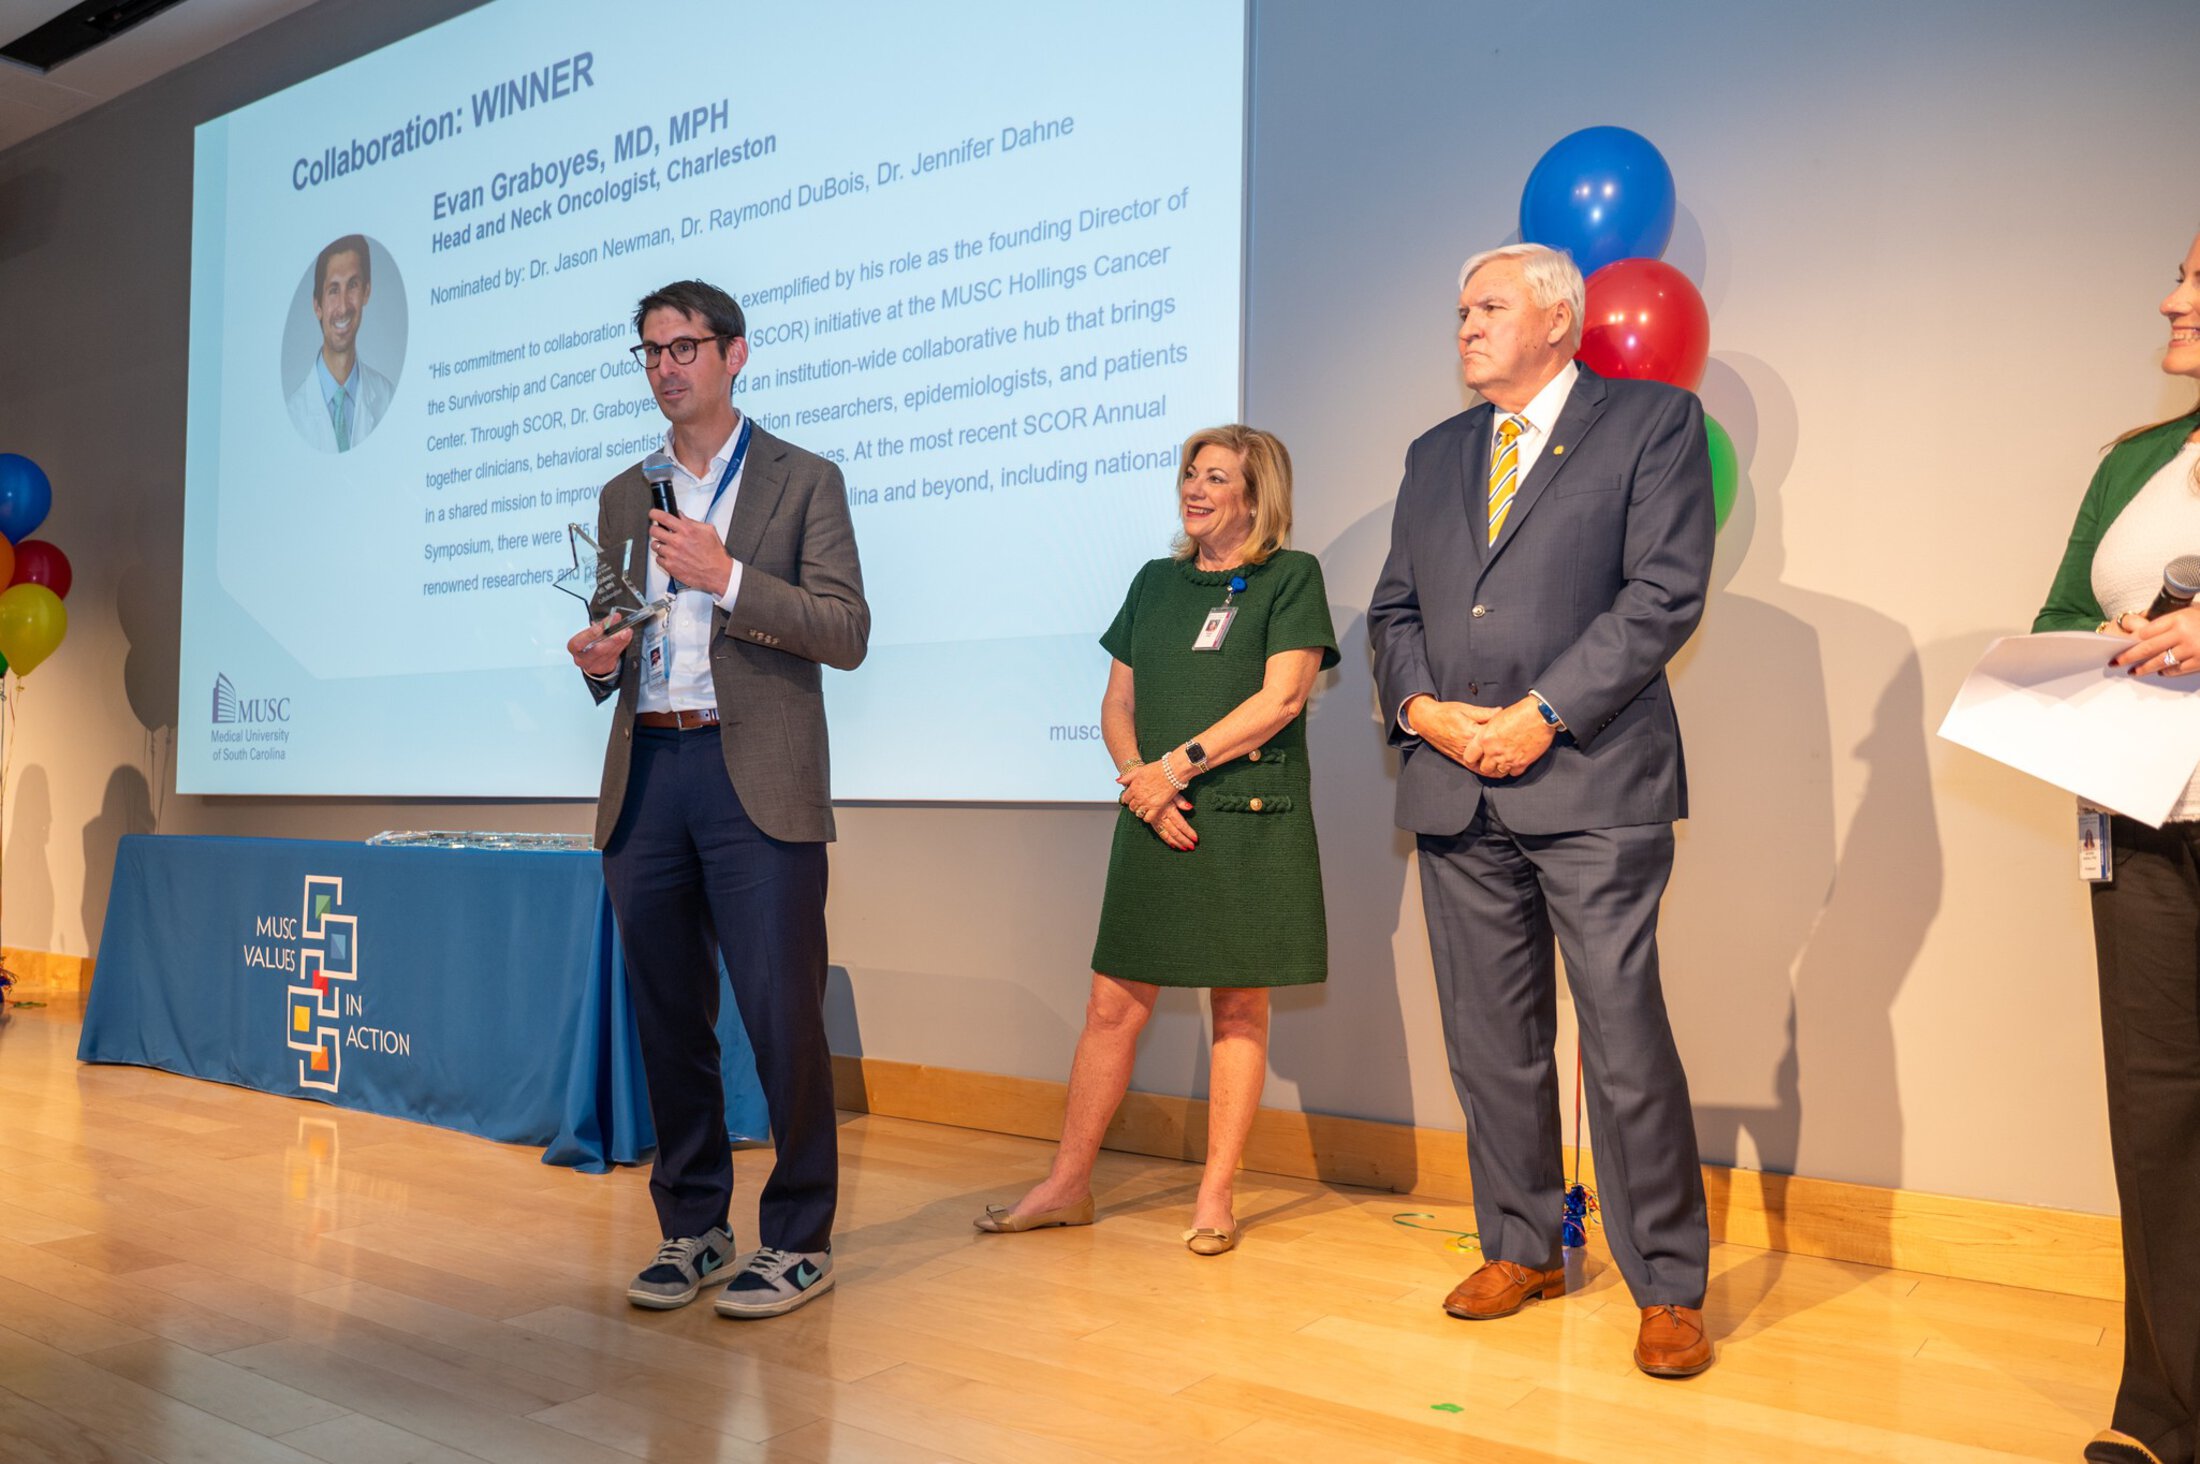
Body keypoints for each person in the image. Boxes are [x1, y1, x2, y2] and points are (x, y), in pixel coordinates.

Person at [1367, 242, 1717, 1377]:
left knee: (1621, 1041)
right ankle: (1520, 1243)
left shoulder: (1652, 425)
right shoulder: (1433, 454)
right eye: (1459, 307)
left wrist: (1541, 713)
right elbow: (1395, 610)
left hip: (1592, 781)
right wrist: (1421, 709)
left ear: (1559, 319)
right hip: (1453, 783)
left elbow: (1662, 593)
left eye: (1488, 306)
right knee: (1488, 1043)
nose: (1464, 325)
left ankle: (1664, 1284)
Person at [565, 279, 868, 1319]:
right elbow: (620, 624)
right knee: (666, 1016)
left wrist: (728, 575)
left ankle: (797, 1237)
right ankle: (693, 1225)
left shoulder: (803, 481)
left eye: (683, 347)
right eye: (647, 351)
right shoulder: (624, 493)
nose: (663, 367)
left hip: (757, 783)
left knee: (782, 1015)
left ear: (734, 355)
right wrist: (598, 658)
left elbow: (845, 630)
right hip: (649, 771)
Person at [974, 425, 1337, 1254]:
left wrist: (1172, 769)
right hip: (1155, 811)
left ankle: (1215, 1197)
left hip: (1248, 819)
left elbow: (1281, 701)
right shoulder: (1154, 582)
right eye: (1189, 474)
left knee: (1239, 1007)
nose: (1194, 489)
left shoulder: (1291, 577)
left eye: (1216, 477)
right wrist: (1144, 782)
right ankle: (1067, 1185)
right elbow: (1115, 704)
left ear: (1256, 494)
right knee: (1110, 1004)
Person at [2032, 227, 2200, 1464]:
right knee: (2157, 1113)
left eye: (2195, 276)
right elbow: (2048, 613)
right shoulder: (2135, 461)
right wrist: (2109, 632)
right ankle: (2162, 1415)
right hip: (2139, 823)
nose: (2169, 296)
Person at [286, 234, 395, 452]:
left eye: (352, 285)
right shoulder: (293, 413)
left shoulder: (387, 398)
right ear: (317, 306)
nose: (344, 306)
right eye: (334, 290)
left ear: (366, 292)